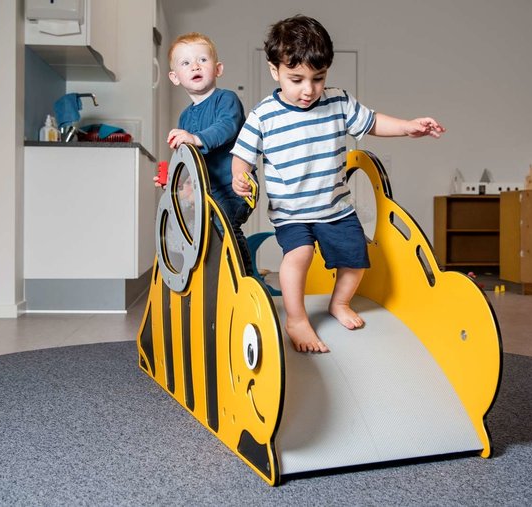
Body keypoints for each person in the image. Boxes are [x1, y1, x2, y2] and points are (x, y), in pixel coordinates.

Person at [231, 15, 445, 353]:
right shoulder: (263, 116)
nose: (308, 90)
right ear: (275, 70)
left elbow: (373, 121)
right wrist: (239, 175)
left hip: (335, 206)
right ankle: (296, 318)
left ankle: (340, 303)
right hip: (292, 212)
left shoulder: (338, 101)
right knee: (298, 255)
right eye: (296, 79)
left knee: (355, 259)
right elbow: (242, 154)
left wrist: (407, 126)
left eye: (318, 78)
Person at [159, 32, 254, 274]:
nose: (195, 66)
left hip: (233, 189)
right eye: (186, 63)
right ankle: (210, 281)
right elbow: (188, 160)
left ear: (218, 69)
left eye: (202, 60)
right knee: (192, 233)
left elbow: (226, 127)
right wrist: (175, 182)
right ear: (175, 77)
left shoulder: (227, 100)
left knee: (226, 227)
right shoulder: (185, 116)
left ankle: (245, 278)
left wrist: (196, 138)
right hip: (204, 193)